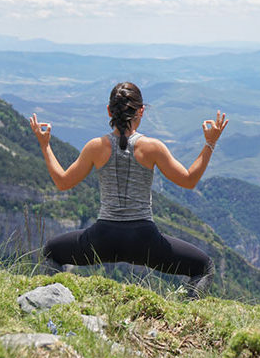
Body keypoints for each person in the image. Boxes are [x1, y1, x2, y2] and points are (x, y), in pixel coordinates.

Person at [29, 81, 228, 298]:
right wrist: (210, 144)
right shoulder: (152, 147)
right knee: (204, 267)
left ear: (109, 111)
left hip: (102, 238)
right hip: (144, 240)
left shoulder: (95, 147)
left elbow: (63, 182)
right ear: (141, 111)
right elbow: (189, 180)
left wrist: (45, 145)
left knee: (52, 252)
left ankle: (52, 308)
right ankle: (189, 318)